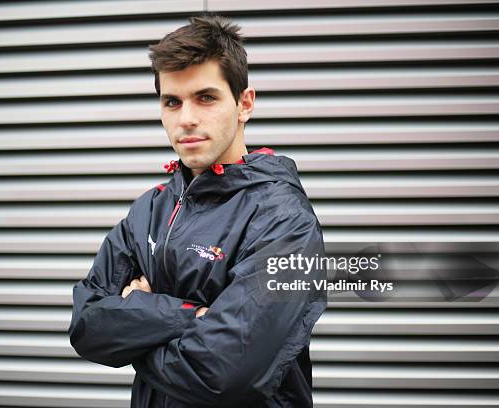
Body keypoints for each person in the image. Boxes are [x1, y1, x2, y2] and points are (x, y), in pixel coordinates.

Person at [68, 14, 327, 408]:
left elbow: (225, 374)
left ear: (244, 104)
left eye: (206, 97)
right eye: (172, 101)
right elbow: (87, 327)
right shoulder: (148, 210)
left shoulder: (283, 220)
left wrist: (135, 317)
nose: (186, 118)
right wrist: (190, 316)